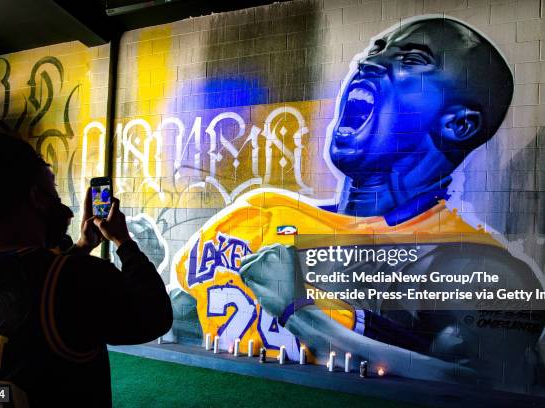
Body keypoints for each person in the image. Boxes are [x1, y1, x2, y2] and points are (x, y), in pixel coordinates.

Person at [171, 17, 544, 392]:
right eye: (376, 51)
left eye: (412, 60)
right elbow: (178, 318)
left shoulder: (479, 267)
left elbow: (481, 387)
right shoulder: (261, 212)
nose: (369, 63)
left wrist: (298, 313)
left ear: (458, 124)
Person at [0, 132, 172, 406]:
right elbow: (154, 316)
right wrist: (123, 241)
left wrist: (82, 246)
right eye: (54, 187)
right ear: (38, 197)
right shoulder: (80, 279)